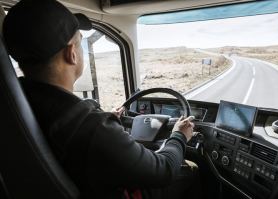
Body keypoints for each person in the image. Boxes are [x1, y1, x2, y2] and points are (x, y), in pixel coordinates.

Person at [2, 0, 196, 198]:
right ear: (72, 54)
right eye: (80, 42)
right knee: (191, 171)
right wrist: (179, 135)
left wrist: (105, 122)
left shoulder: (16, 106)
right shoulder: (93, 129)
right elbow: (163, 170)